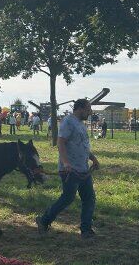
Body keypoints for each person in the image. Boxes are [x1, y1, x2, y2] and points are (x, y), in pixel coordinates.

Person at [36, 98, 100, 239]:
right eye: (88, 109)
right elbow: (61, 143)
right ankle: (44, 220)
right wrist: (66, 163)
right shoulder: (68, 122)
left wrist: (93, 158)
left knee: (89, 198)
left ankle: (86, 230)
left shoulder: (81, 124)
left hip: (83, 169)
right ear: (80, 109)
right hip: (70, 170)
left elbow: (82, 145)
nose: (90, 112)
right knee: (68, 198)